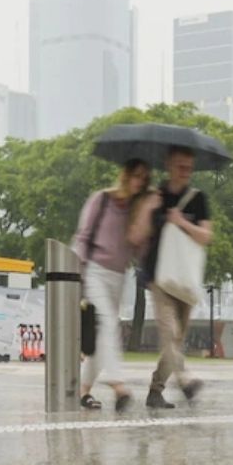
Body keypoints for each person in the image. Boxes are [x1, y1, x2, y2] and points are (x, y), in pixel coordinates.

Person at [130, 146, 213, 409]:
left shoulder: (198, 199)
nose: (185, 172)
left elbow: (205, 237)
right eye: (180, 166)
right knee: (170, 332)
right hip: (159, 277)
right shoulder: (156, 196)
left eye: (189, 167)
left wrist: (180, 222)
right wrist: (148, 208)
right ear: (168, 165)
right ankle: (185, 381)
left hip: (186, 279)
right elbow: (137, 235)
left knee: (175, 341)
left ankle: (156, 390)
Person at [73, 158, 151, 411]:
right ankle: (118, 385)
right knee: (108, 324)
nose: (140, 181)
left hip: (118, 276)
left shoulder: (135, 211)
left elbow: (139, 249)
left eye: (145, 178)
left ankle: (82, 392)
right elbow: (83, 237)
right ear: (126, 174)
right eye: (136, 175)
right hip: (94, 271)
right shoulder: (102, 199)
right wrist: (78, 274)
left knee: (99, 338)